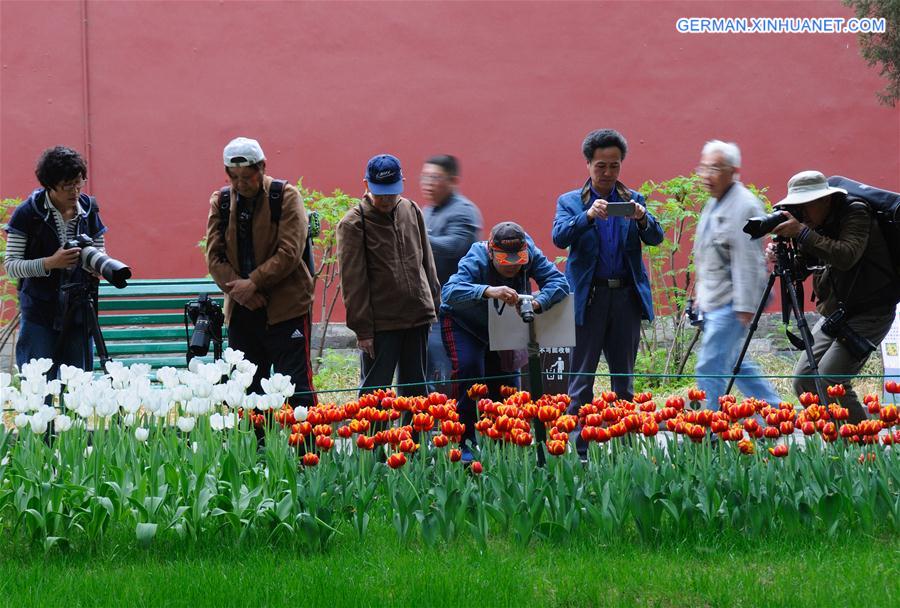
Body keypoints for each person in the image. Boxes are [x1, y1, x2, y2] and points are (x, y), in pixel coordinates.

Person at [769, 170, 899, 424]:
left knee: (830, 380)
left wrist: (802, 233)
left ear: (825, 200)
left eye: (805, 205)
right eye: (797, 206)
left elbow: (845, 256)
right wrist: (782, 258)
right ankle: (838, 446)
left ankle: (863, 449)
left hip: (870, 310)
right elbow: (809, 267)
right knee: (804, 380)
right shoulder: (816, 223)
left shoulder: (856, 213)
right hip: (836, 311)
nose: (802, 212)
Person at [552, 129, 664, 412]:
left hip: (625, 298)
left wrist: (641, 218)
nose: (607, 172)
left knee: (624, 383)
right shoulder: (571, 202)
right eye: (601, 166)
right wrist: (587, 216)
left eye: (614, 165)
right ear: (588, 164)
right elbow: (559, 237)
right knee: (580, 381)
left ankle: (623, 451)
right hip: (588, 299)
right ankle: (578, 450)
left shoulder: (633, 198)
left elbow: (656, 237)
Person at [441, 222, 569, 458]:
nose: (512, 266)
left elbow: (560, 283)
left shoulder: (531, 252)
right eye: (504, 260)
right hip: (465, 323)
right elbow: (449, 292)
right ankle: (465, 444)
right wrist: (487, 290)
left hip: (504, 324)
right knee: (471, 372)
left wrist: (538, 302)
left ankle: (504, 449)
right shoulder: (477, 256)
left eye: (517, 259)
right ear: (491, 252)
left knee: (506, 384)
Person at [205, 137, 316, 408]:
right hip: (242, 311)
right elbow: (214, 256)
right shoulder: (221, 202)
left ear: (263, 167)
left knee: (296, 389)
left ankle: (306, 450)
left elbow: (289, 252)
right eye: (235, 178)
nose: (242, 184)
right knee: (247, 392)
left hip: (287, 310)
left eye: (248, 176)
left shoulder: (286, 196)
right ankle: (256, 450)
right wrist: (241, 293)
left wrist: (253, 283)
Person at [337, 154, 441, 396]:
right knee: (376, 395)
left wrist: (433, 303)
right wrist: (363, 330)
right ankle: (374, 436)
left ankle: (416, 436)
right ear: (366, 185)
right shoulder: (353, 224)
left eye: (392, 192)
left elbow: (427, 260)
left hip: (418, 317)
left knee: (417, 394)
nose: (386, 199)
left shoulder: (411, 209)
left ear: (402, 183)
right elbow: (353, 283)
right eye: (380, 192)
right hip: (381, 324)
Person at [692, 141, 781, 409]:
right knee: (734, 361)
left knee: (709, 364)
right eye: (704, 168)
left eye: (715, 168)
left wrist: (744, 307)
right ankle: (773, 410)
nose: (707, 175)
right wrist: (700, 294)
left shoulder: (743, 205)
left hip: (732, 302)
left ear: (734, 171)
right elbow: (707, 252)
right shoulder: (714, 202)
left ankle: (709, 429)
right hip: (716, 299)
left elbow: (748, 261)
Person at [5, 146, 107, 371]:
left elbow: (100, 251)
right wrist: (51, 262)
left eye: (78, 183)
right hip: (40, 313)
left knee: (78, 386)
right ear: (49, 186)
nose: (75, 192)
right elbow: (11, 265)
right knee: (40, 385)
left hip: (79, 311)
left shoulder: (89, 209)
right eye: (67, 186)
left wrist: (96, 266)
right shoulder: (28, 213)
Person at [420, 155, 483, 392]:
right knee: (424, 369)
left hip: (453, 311)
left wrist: (417, 235)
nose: (427, 183)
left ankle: (448, 420)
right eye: (425, 177)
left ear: (453, 180)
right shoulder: (428, 211)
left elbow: (455, 247)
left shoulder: (463, 211)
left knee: (444, 368)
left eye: (435, 178)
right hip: (429, 307)